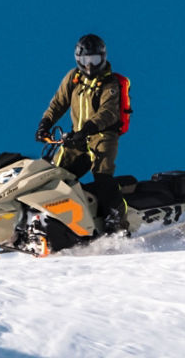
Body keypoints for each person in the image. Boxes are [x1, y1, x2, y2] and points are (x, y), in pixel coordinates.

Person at [36, 33, 128, 234]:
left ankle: (116, 223)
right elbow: (58, 103)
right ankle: (50, 219)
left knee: (102, 176)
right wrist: (45, 123)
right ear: (78, 59)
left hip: (102, 136)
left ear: (103, 58)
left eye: (94, 60)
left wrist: (88, 128)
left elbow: (108, 112)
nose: (90, 66)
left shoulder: (109, 84)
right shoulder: (73, 78)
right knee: (55, 173)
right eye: (85, 60)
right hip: (77, 136)